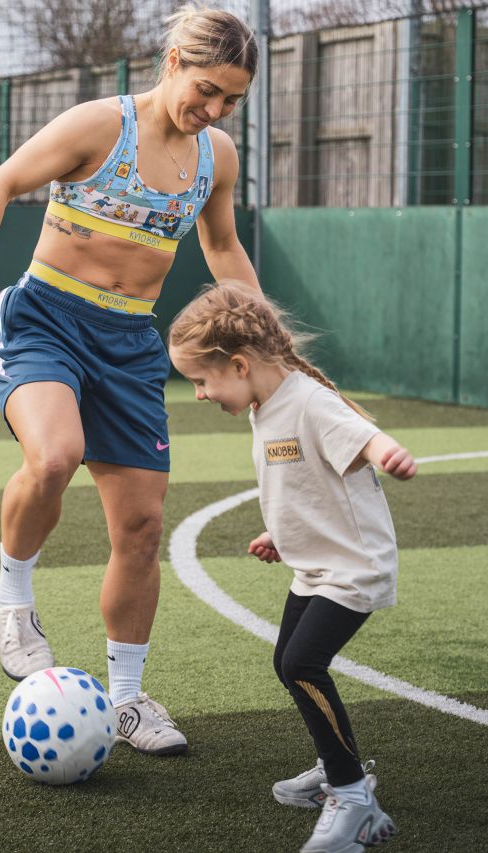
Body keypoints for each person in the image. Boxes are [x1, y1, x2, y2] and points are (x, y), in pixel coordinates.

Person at [0, 4, 260, 757]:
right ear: (173, 60)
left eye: (231, 100)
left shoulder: (218, 157)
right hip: (45, 320)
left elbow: (224, 246)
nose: (214, 109)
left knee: (141, 529)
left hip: (129, 343)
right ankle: (14, 597)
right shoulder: (97, 127)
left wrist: (263, 330)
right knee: (53, 456)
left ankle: (130, 699)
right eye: (207, 89)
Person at [168, 281, 416, 851]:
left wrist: (389, 455)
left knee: (305, 663)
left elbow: (364, 437)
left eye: (201, 381)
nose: (200, 395)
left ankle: (355, 801)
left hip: (353, 569)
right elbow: (303, 482)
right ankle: (338, 770)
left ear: (237, 364)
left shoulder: (309, 400)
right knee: (289, 661)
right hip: (315, 565)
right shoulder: (266, 406)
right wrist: (281, 532)